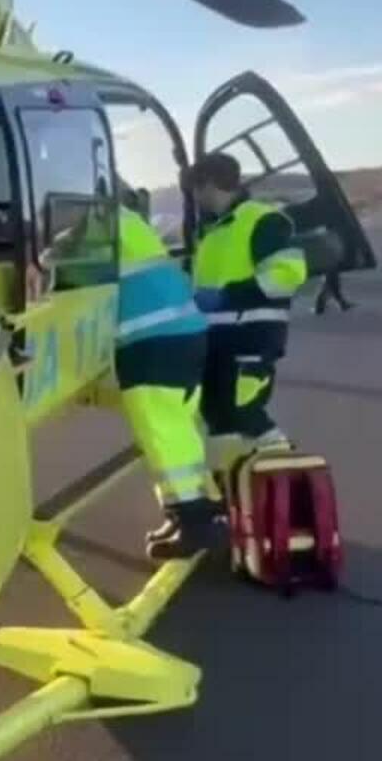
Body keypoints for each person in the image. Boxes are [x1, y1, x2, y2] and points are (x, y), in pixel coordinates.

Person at [110, 189, 227, 561]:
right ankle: (189, 509)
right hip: (182, 333)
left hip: (152, 340)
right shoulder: (128, 220)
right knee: (178, 427)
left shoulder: (99, 222)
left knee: (162, 431)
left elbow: (59, 263)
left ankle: (193, 523)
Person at [183, 153, 308, 476]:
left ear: (208, 185)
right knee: (217, 414)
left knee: (243, 408)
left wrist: (230, 294)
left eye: (196, 190)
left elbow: (289, 273)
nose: (195, 199)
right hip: (218, 342)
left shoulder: (263, 221)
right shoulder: (214, 231)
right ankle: (227, 490)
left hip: (251, 338)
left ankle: (288, 474)